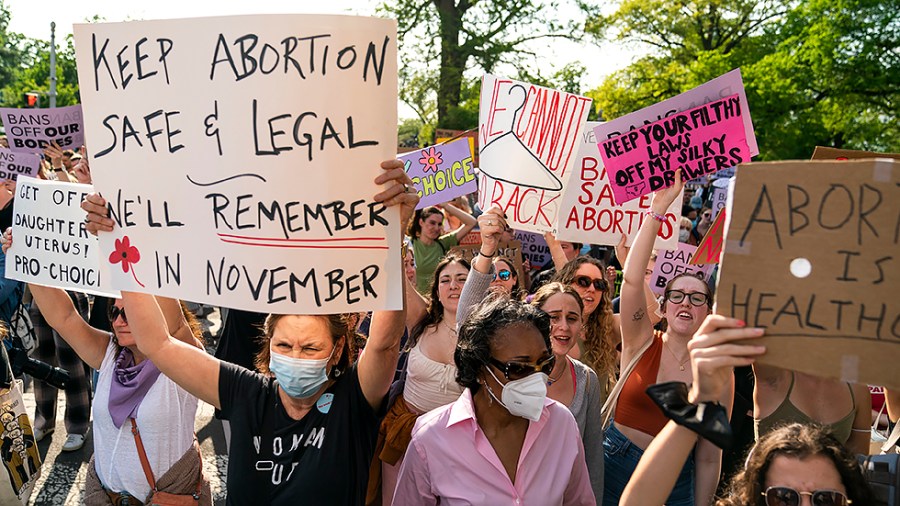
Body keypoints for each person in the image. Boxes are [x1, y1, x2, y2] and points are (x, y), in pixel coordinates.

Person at [84, 159, 416, 505]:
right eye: (284, 345)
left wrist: (394, 233)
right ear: (267, 345)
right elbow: (158, 342)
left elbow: (385, 343)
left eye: (310, 348)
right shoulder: (246, 393)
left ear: (337, 350)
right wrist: (119, 242)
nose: (294, 357)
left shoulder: (353, 402)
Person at [2, 228, 210, 504]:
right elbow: (64, 317)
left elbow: (175, 324)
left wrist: (134, 237)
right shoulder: (111, 353)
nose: (120, 321)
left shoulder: (183, 359)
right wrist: (25, 258)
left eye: (130, 311)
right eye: (114, 312)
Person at [619, 315, 874, 506]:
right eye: (783, 498)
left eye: (825, 500)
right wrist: (700, 400)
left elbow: (858, 462)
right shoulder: (776, 377)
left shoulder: (856, 386)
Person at [456, 206, 604, 502]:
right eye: (553, 317)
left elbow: (591, 463)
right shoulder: (500, 366)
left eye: (572, 318)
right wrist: (487, 249)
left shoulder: (586, 380)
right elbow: (466, 321)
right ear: (534, 321)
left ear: (582, 325)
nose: (562, 327)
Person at [392, 296, 595, 505]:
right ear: (480, 369)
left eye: (545, 365)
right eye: (518, 368)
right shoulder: (431, 438)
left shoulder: (562, 424)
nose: (536, 379)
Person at [608, 170, 729, 506]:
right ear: (662, 306)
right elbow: (631, 281)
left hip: (679, 481)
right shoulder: (641, 340)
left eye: (696, 297)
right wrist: (658, 208)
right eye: (677, 295)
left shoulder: (719, 371)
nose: (686, 302)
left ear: (708, 310)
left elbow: (709, 455)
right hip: (615, 464)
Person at [368, 254, 470, 505]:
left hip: (458, 443)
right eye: (445, 280)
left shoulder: (484, 333)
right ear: (436, 290)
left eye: (461, 279)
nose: (453, 285)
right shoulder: (421, 320)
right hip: (406, 435)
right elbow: (395, 275)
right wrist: (397, 228)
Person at [407, 205, 476, 294]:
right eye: (432, 223)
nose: (436, 228)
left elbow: (472, 222)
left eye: (439, 224)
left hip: (436, 301)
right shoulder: (409, 243)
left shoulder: (443, 243)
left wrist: (445, 205)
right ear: (421, 222)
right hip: (415, 301)